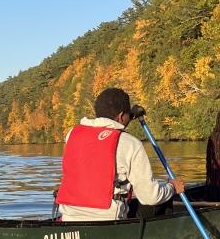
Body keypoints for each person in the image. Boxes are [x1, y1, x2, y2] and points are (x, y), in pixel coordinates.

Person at [56, 87, 185, 221]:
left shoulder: (72, 135)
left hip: (69, 218)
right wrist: (172, 188)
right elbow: (150, 197)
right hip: (110, 220)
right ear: (122, 116)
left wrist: (130, 115)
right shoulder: (130, 144)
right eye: (127, 115)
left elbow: (106, 127)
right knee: (162, 200)